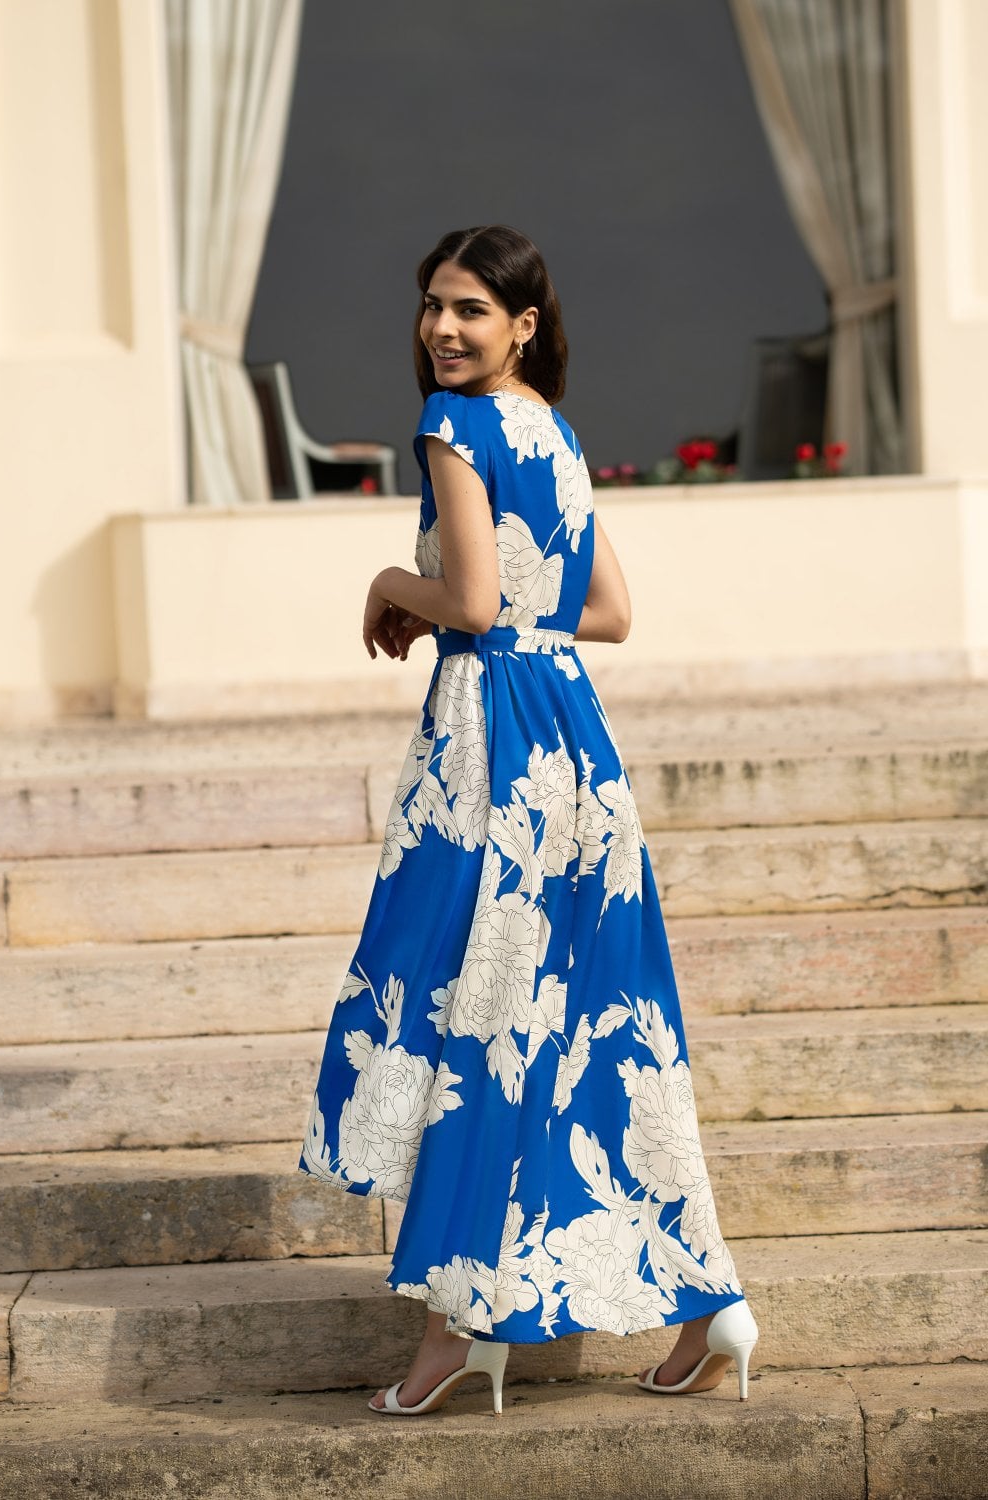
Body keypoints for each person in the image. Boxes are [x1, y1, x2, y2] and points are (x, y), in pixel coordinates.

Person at [297, 224, 758, 1415]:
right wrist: (489, 614)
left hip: (491, 750)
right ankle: (710, 1307)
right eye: (432, 305)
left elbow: (471, 598)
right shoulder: (550, 429)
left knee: (477, 1022)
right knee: (600, 1027)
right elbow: (606, 612)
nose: (442, 328)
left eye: (469, 309)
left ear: (523, 324)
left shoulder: (453, 426)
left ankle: (454, 1330)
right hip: (574, 743)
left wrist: (390, 586)